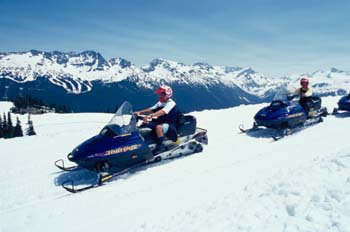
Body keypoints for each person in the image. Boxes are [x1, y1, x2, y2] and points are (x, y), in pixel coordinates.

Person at [134, 85, 181, 154]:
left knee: (158, 127)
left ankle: (160, 146)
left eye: (162, 94)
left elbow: (162, 112)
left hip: (170, 124)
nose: (160, 96)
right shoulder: (161, 103)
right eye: (160, 94)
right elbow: (151, 109)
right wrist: (139, 112)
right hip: (161, 121)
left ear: (167, 94)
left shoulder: (171, 103)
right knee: (145, 123)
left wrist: (150, 116)